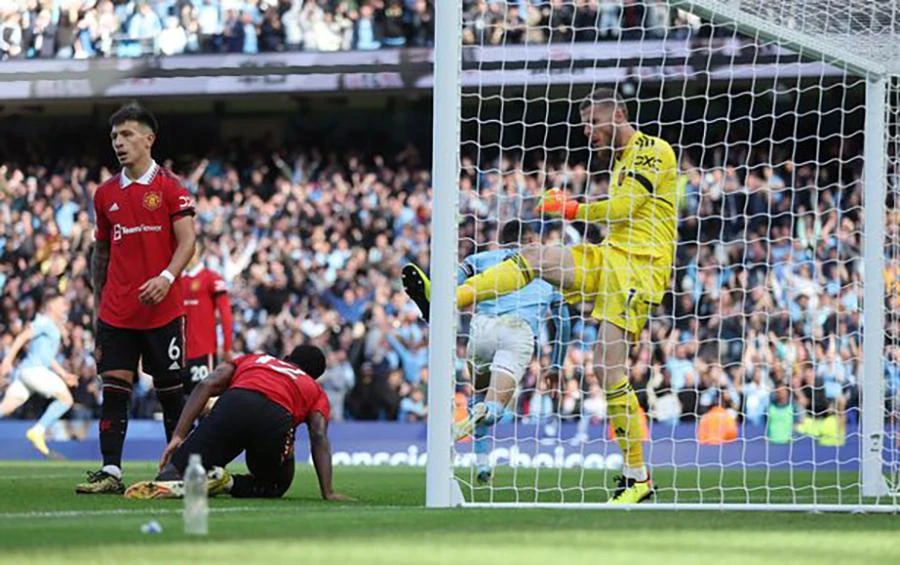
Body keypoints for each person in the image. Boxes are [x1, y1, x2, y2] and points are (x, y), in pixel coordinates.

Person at [402, 87, 678, 504]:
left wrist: (571, 209)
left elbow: (623, 208)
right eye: (584, 123)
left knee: (608, 370)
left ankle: (637, 478)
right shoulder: (620, 161)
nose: (587, 131)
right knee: (536, 256)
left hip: (639, 269)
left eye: (592, 121)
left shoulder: (652, 150)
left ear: (618, 113)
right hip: (610, 259)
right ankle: (446, 301)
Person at [76, 103, 197, 494]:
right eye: (114, 137)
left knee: (171, 394)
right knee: (113, 390)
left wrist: (166, 277)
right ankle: (111, 471)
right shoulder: (105, 194)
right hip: (117, 311)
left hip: (162, 310)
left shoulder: (170, 188)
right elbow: (102, 254)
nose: (119, 143)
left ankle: (177, 467)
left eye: (127, 135)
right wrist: (98, 310)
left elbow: (188, 241)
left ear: (149, 139)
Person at [408, 220, 570, 484]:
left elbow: (455, 279)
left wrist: (439, 295)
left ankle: (482, 465)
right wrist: (556, 365)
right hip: (518, 332)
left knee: (479, 396)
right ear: (531, 241)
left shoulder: (481, 258)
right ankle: (464, 426)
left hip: (481, 330)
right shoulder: (547, 271)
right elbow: (564, 321)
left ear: (501, 241)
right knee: (493, 406)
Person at [124, 345, 350, 501]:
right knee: (275, 485)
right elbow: (319, 436)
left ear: (287, 358)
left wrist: (178, 435)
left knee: (171, 476)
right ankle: (228, 482)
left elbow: (207, 384)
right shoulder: (315, 389)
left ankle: (184, 478)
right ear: (314, 375)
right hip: (276, 419)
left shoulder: (256, 359)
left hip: (235, 403)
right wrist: (327, 491)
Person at [0, 292, 77, 457]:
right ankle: (38, 430)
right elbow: (22, 337)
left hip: (26, 373)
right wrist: (7, 360)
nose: (65, 307)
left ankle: (38, 431)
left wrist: (64, 374)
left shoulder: (51, 325)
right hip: (34, 371)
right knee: (66, 399)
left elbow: (48, 358)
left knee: (5, 408)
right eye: (61, 304)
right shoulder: (43, 321)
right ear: (51, 306)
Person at [180, 241, 234, 394]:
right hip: (177, 352)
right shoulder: (174, 280)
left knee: (203, 402)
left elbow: (226, 315)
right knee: (177, 404)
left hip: (203, 351)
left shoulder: (211, 278)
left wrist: (227, 347)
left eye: (193, 250)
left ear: (200, 253)